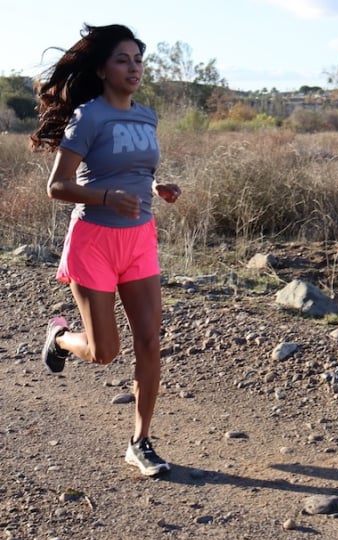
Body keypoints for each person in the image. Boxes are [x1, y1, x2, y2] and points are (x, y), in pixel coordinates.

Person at [30, 23, 181, 477]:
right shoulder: (88, 117)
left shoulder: (147, 116)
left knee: (151, 343)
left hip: (139, 238)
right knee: (104, 352)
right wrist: (107, 198)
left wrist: (156, 185)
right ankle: (58, 337)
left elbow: (130, 167)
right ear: (102, 69)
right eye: (123, 59)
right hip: (94, 240)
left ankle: (141, 442)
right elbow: (58, 186)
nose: (133, 67)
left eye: (138, 59)